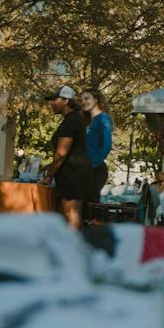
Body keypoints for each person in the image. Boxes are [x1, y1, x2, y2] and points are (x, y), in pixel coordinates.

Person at [46, 87, 100, 227]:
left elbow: (61, 153)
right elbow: (73, 150)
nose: (51, 103)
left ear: (65, 100)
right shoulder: (73, 119)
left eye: (54, 99)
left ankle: (74, 247)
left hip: (74, 173)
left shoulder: (71, 120)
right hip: (73, 171)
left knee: (71, 214)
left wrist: (48, 176)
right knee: (68, 214)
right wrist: (49, 166)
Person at [81, 87, 114, 193]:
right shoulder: (87, 122)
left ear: (96, 100)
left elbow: (107, 145)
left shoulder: (103, 118)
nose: (83, 102)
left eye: (87, 98)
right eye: (81, 100)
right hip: (84, 169)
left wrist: (93, 163)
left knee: (90, 205)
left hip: (96, 169)